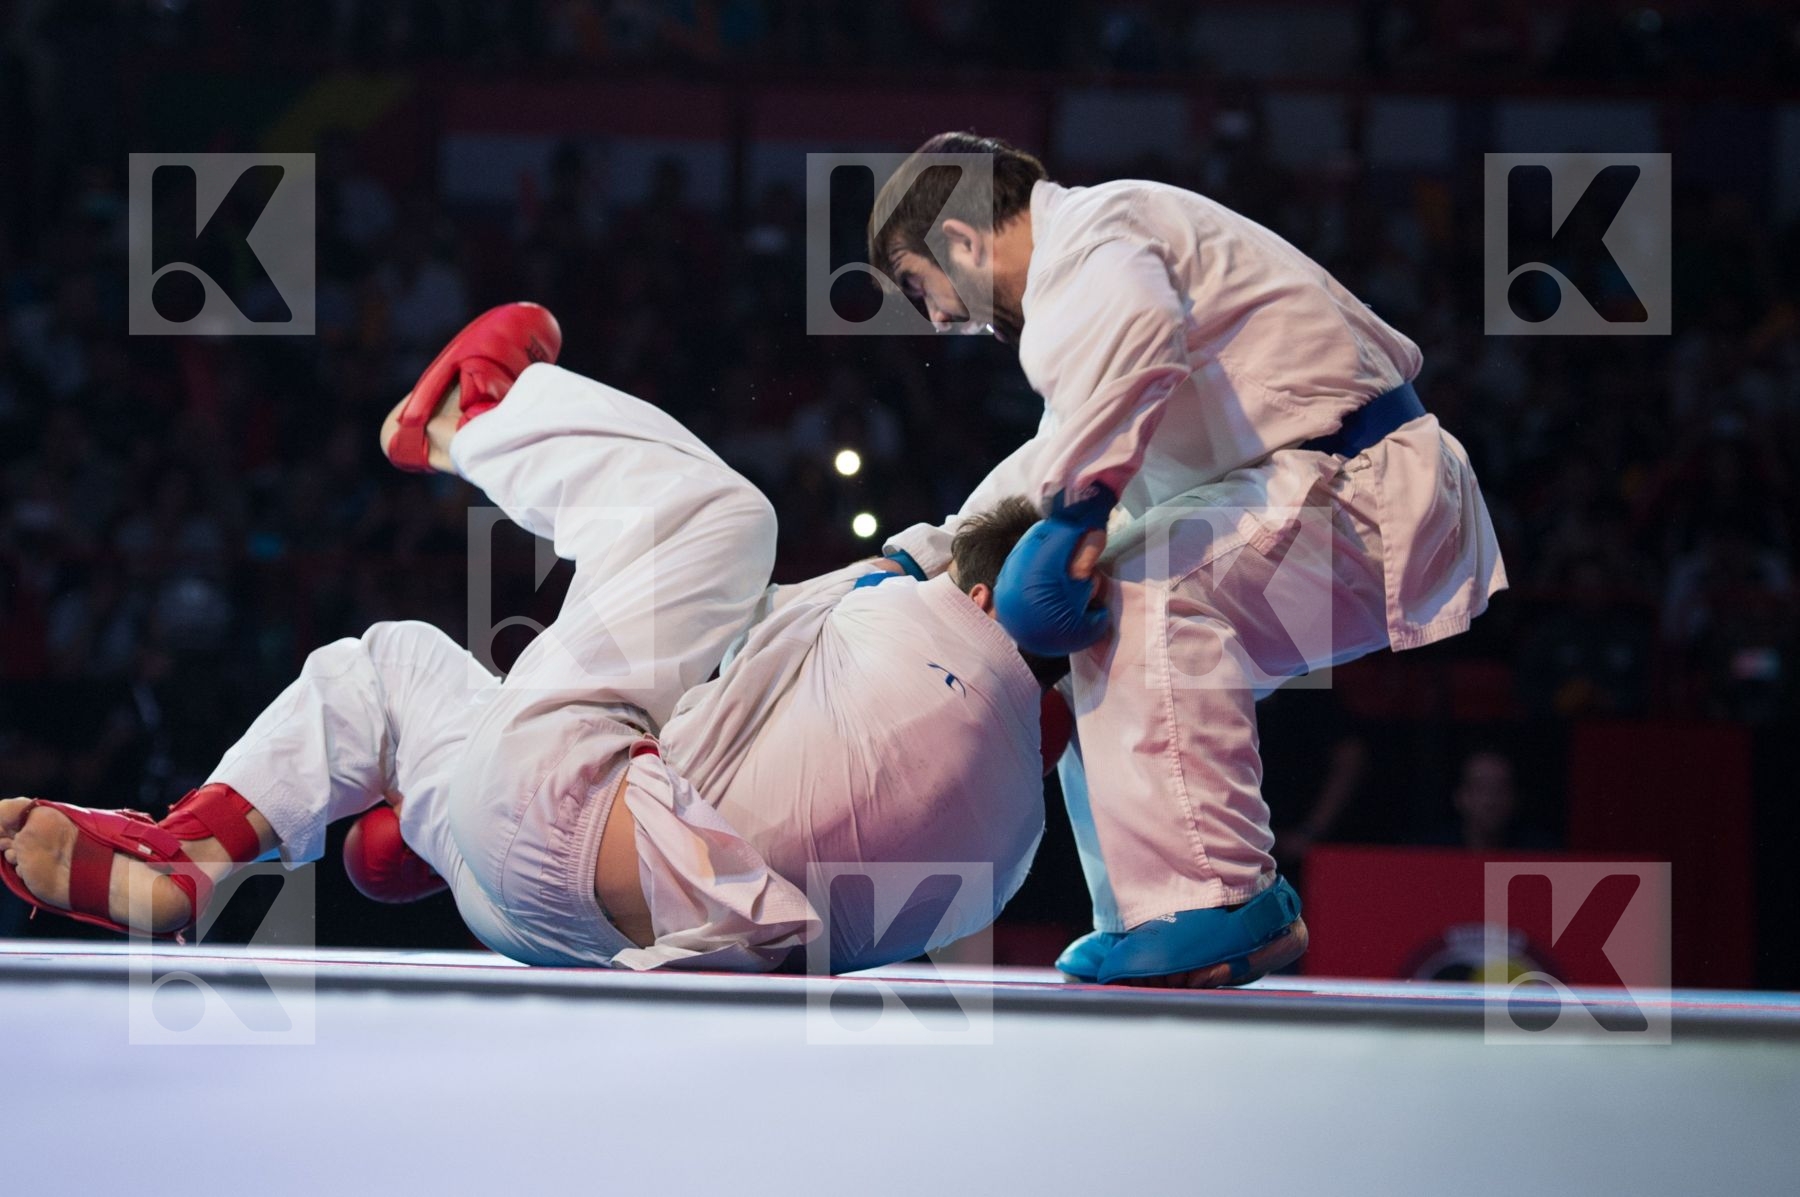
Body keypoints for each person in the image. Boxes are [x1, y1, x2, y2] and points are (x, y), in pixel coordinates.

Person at [1, 305, 1057, 973]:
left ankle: (473, 416)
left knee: (719, 523)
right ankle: (416, 813)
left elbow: (1013, 505)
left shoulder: (922, 603)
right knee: (404, 669)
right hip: (561, 931)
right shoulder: (1014, 844)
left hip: (564, 807)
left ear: (977, 592)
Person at [866, 133, 1508, 986]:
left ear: (962, 240)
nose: (941, 319)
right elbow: (1052, 453)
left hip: (1356, 489)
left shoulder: (1098, 234)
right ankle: (1147, 916)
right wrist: (931, 558)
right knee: (1085, 634)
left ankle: (1217, 900)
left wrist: (1081, 510)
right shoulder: (1091, 288)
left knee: (1134, 587)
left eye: (921, 287)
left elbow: (1132, 352)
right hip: (1319, 491)